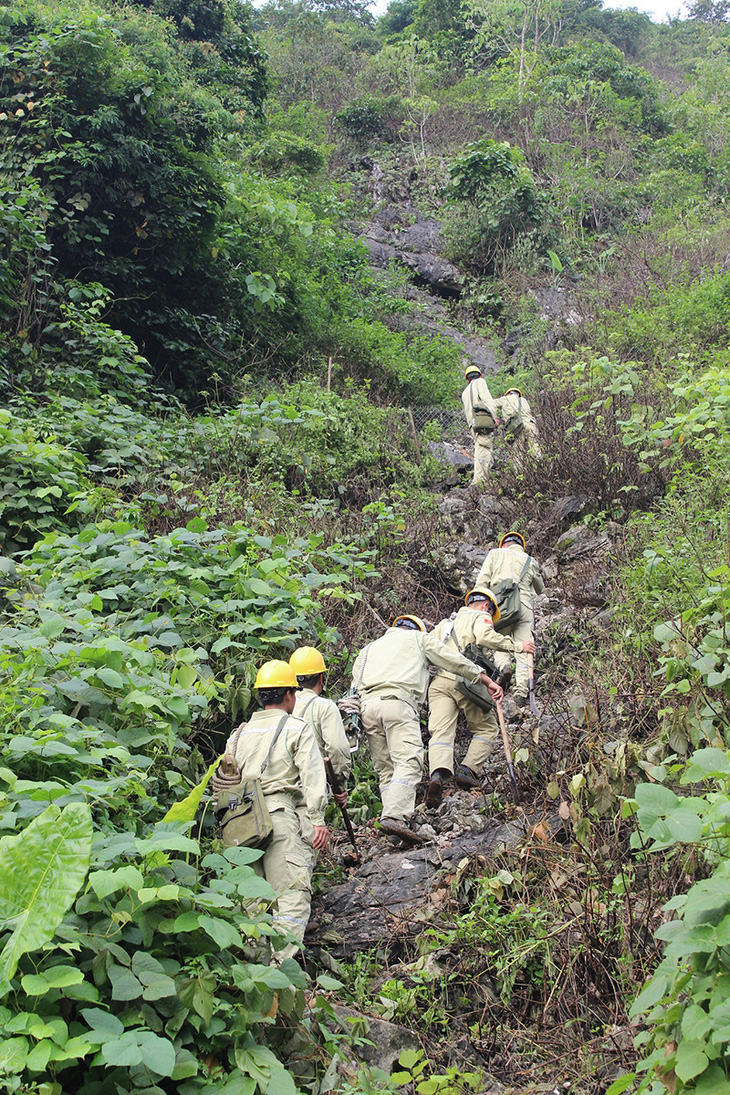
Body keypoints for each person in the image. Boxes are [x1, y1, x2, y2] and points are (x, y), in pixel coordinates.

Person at [213, 660, 328, 962]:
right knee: (291, 898)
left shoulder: (237, 735)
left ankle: (256, 981)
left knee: (252, 904)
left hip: (240, 824)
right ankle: (281, 977)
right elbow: (314, 777)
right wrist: (317, 820)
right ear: (290, 695)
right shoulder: (296, 728)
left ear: (260, 696)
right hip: (278, 817)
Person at [351, 614, 501, 844]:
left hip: (367, 709)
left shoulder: (368, 649)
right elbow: (452, 660)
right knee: (409, 762)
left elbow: (354, 685)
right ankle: (395, 817)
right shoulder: (418, 639)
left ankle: (392, 826)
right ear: (417, 629)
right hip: (399, 703)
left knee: (386, 770)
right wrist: (484, 679)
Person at [426, 588, 536, 807]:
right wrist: (518, 646)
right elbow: (486, 636)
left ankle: (437, 776)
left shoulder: (443, 625)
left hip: (438, 683)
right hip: (466, 680)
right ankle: (468, 770)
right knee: (487, 728)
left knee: (440, 732)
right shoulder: (481, 616)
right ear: (487, 605)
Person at [475, 532, 544, 707]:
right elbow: (540, 588)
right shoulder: (530, 560)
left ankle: (504, 666)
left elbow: (482, 582)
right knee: (525, 647)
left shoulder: (495, 554)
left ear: (503, 544)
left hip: (500, 606)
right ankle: (522, 692)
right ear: (521, 545)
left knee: (498, 641)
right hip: (524, 607)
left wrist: (479, 609)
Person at [290, 645, 350, 806]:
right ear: (321, 678)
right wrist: (339, 786)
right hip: (310, 789)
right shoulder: (324, 706)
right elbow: (337, 749)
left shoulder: (282, 705)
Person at [461, 365, 499, 484]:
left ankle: (478, 479)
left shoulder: (465, 392)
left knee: (479, 449)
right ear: (480, 375)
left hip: (473, 424)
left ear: (467, 379)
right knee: (486, 450)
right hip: (484, 422)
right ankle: (480, 481)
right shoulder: (480, 382)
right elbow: (488, 401)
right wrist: (495, 417)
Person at [493, 388, 541, 462]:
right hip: (531, 424)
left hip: (517, 427)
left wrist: (495, 417)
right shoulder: (524, 400)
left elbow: (491, 404)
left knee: (518, 454)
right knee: (535, 449)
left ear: (508, 394)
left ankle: (519, 472)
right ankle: (541, 467)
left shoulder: (506, 399)